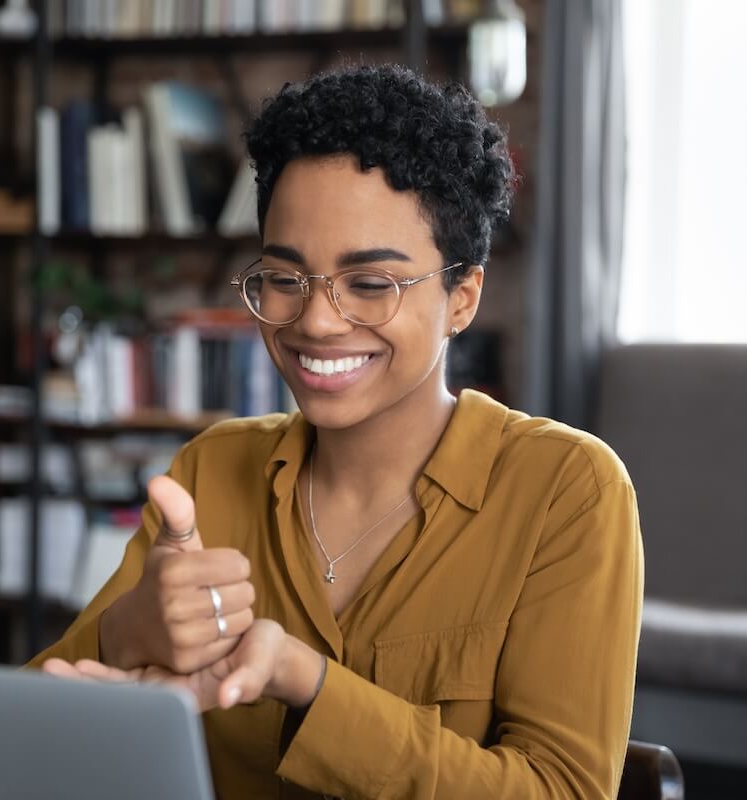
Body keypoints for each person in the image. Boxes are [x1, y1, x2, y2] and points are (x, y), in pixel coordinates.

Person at [32, 64, 643, 799]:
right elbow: (18, 740)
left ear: (463, 296)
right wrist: (129, 630)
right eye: (285, 279)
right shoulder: (211, 471)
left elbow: (565, 791)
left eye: (371, 283)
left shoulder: (566, 491)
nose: (316, 322)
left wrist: (306, 682)